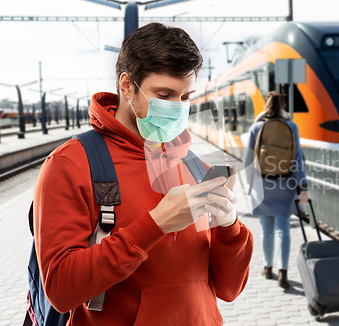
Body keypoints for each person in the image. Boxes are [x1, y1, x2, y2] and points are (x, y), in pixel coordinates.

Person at [33, 23, 253, 325]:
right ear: (126, 85)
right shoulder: (70, 164)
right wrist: (155, 225)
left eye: (186, 98)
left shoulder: (192, 163)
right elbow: (60, 290)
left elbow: (229, 289)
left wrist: (230, 228)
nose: (178, 109)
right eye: (164, 94)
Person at [243, 91, 308, 289]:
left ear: (266, 105)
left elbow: (247, 161)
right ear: (283, 106)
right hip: (286, 185)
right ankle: (283, 273)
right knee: (283, 229)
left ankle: (267, 268)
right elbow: (297, 159)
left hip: (262, 185)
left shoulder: (256, 127)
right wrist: (302, 187)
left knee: (266, 229)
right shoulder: (292, 126)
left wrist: (250, 185)